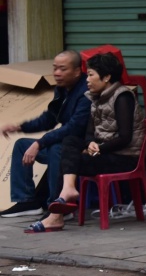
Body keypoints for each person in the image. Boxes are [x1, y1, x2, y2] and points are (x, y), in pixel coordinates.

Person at [26, 52, 146, 233]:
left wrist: (99, 148)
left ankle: (56, 214)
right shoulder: (95, 97)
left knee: (67, 160)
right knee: (69, 141)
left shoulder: (122, 97)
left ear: (106, 77)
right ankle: (67, 192)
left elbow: (125, 138)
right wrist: (90, 143)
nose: (87, 80)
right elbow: (90, 132)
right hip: (102, 153)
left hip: (123, 157)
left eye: (90, 75)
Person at [0, 50, 91, 218]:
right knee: (22, 145)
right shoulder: (62, 89)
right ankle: (26, 201)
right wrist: (20, 126)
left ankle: (58, 205)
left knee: (57, 149)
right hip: (65, 143)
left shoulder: (86, 92)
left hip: (83, 147)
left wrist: (40, 143)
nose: (57, 73)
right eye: (55, 68)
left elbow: (74, 127)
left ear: (77, 71)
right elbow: (49, 118)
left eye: (63, 69)